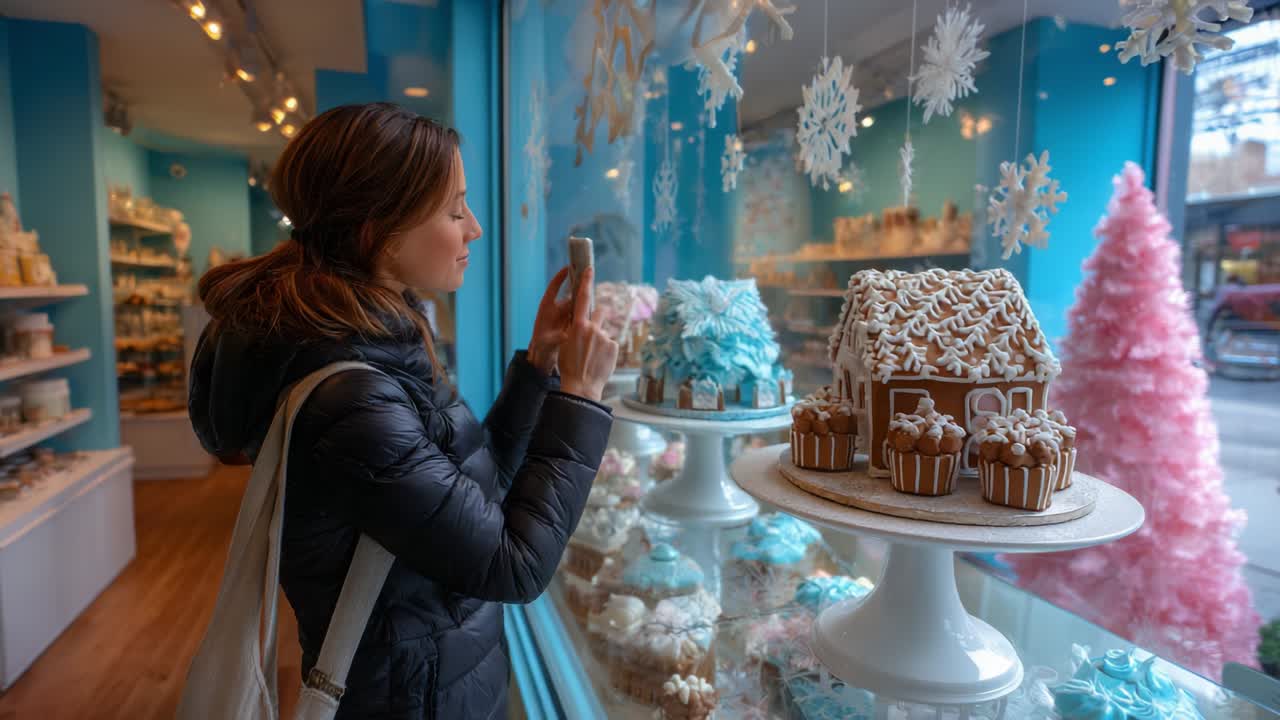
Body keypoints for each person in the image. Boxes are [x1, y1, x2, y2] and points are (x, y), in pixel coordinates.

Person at [189, 103, 618, 719]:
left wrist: (540, 369)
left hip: (430, 678)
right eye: (453, 209)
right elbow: (514, 565)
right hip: (412, 698)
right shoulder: (352, 401)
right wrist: (579, 397)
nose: (473, 228)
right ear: (376, 233)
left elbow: (474, 492)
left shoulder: (376, 342)